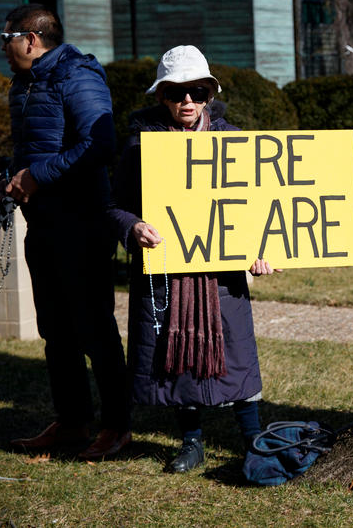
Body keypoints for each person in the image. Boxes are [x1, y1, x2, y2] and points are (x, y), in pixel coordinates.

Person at [107, 45, 275, 473]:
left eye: (197, 92)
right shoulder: (139, 145)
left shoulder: (233, 141)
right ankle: (192, 440)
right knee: (173, 352)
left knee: (236, 349)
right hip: (167, 272)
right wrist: (132, 226)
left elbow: (256, 206)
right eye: (177, 92)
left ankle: (253, 437)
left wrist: (261, 248)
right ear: (161, 95)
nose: (188, 101)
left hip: (220, 272)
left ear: (210, 95)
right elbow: (115, 205)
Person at [0, 4, 130, 459]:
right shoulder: (25, 82)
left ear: (30, 38)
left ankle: (117, 426)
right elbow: (29, 146)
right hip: (44, 224)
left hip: (83, 222)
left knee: (94, 328)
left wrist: (38, 176)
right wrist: (10, 179)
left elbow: (100, 144)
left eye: (6, 36)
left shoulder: (79, 76)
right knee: (56, 330)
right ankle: (72, 423)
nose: (2, 46)